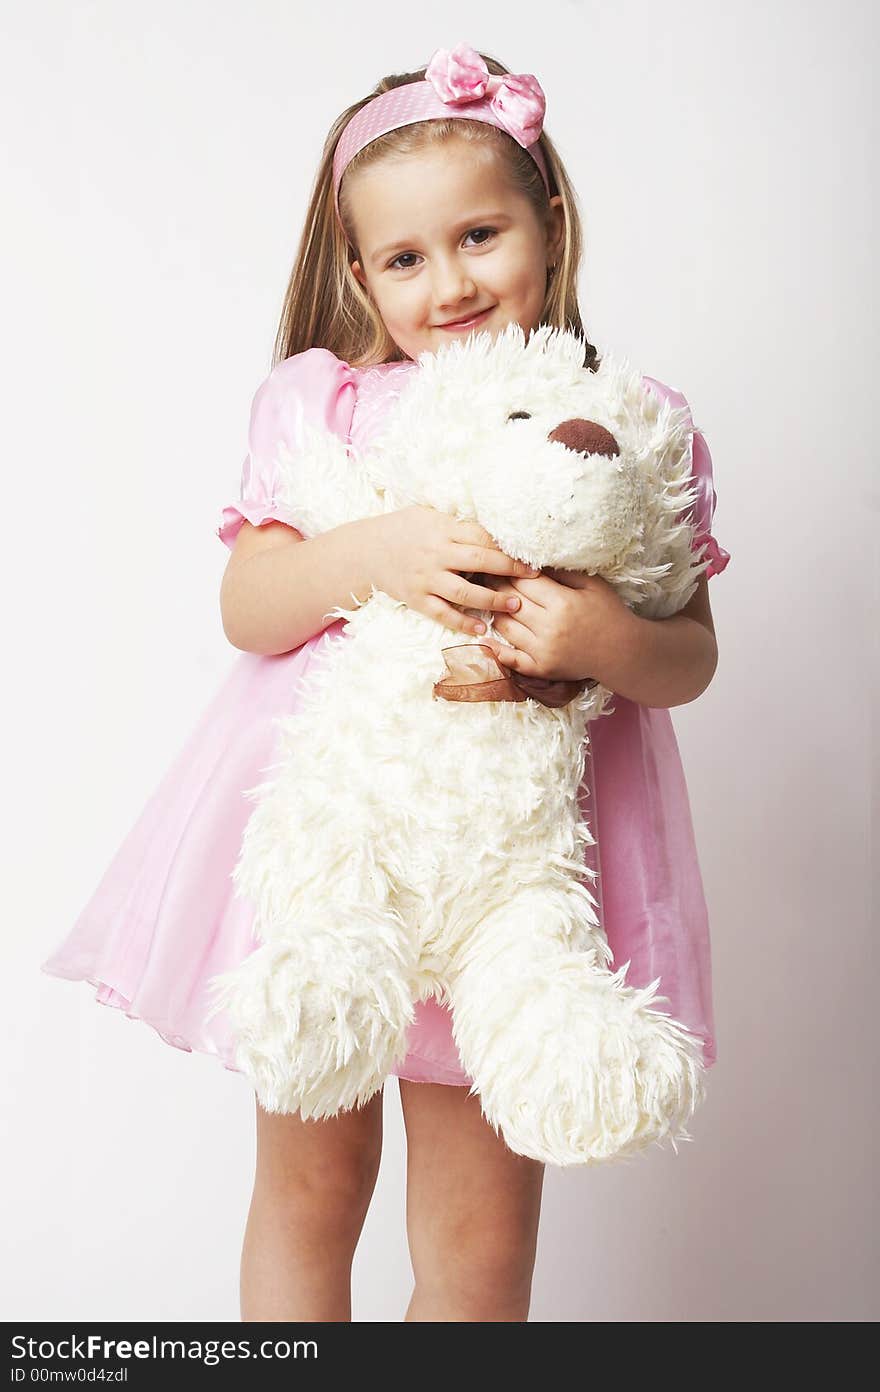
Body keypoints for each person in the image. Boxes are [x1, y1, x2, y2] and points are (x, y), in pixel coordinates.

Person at [40, 41, 730, 1322]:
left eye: (480, 236)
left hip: (520, 873)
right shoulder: (325, 406)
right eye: (406, 259)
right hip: (335, 855)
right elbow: (250, 605)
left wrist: (600, 640)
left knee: (476, 1243)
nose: (450, 282)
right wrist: (379, 551)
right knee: (309, 1190)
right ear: (359, 274)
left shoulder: (631, 422)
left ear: (551, 221)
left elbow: (687, 652)